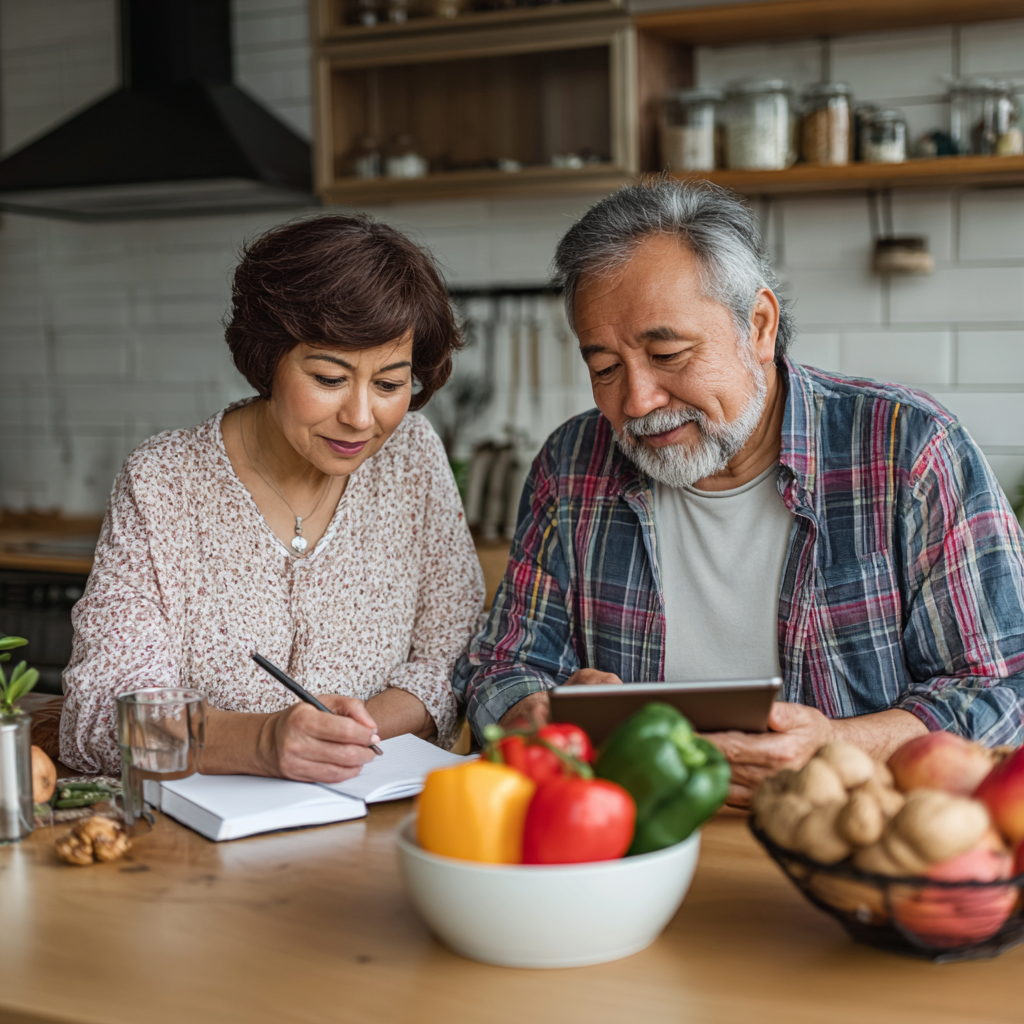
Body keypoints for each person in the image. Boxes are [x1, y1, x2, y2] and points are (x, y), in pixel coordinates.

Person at [453, 179, 1024, 806]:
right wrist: (533, 712)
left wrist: (839, 745)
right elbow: (501, 666)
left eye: (668, 354)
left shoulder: (909, 450)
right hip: (629, 832)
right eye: (605, 369)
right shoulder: (571, 466)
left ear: (758, 326)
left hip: (848, 834)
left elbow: (1003, 687)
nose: (638, 401)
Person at [61, 215, 484, 779]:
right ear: (267, 359)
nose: (361, 418)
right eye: (329, 379)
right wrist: (262, 741)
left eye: (388, 385)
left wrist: (343, 737)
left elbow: (454, 659)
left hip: (373, 814)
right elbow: (100, 716)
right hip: (198, 827)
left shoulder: (411, 456)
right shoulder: (164, 480)